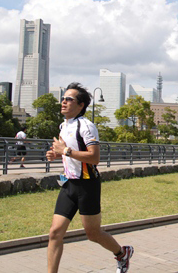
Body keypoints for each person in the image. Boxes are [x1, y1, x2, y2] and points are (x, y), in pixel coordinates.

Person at [46, 83, 133, 273]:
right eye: (64, 98)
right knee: (54, 233)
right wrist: (56, 154)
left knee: (93, 234)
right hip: (69, 185)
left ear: (81, 105)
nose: (64, 102)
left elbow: (95, 158)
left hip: (87, 186)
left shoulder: (87, 126)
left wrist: (66, 151)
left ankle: (122, 253)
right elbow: (66, 153)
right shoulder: (63, 126)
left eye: (69, 99)